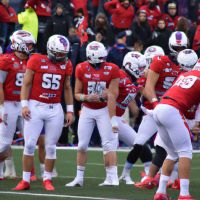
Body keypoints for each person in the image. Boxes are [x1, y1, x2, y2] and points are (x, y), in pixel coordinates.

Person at [13, 34, 74, 191]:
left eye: (64, 53)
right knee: (29, 144)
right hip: (36, 106)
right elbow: (26, 83)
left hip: (55, 108)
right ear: (51, 50)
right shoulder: (36, 60)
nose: (62, 56)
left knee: (51, 146)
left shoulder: (67, 64)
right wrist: (24, 105)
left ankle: (47, 179)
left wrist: (70, 110)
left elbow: (67, 87)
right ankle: (25, 180)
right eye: (59, 53)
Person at [134, 49, 198, 190]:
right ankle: (171, 185)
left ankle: (163, 184)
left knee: (173, 150)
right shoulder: (188, 74)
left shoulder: (182, 75)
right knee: (176, 149)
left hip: (173, 112)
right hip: (176, 112)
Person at [65, 41, 120, 187]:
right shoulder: (81, 68)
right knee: (82, 145)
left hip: (104, 109)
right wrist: (86, 97)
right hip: (88, 109)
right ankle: (79, 178)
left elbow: (114, 94)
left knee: (108, 144)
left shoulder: (113, 69)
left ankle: (112, 178)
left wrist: (105, 98)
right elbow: (77, 93)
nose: (101, 62)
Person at [152, 59, 200, 200]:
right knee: (185, 151)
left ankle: (160, 192)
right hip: (172, 110)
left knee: (172, 153)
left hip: (160, 108)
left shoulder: (185, 74)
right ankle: (184, 194)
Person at [0, 30, 36, 179]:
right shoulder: (5, 60)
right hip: (8, 103)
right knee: (4, 142)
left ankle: (30, 173)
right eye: (28, 44)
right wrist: (1, 107)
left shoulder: (32, 60)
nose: (31, 47)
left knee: (30, 139)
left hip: (25, 104)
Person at [117, 51, 153, 184]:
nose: (142, 71)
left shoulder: (132, 79)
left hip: (117, 117)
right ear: (131, 65)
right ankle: (112, 177)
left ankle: (129, 174)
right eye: (140, 68)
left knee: (140, 144)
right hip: (106, 116)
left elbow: (133, 94)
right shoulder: (119, 75)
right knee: (108, 146)